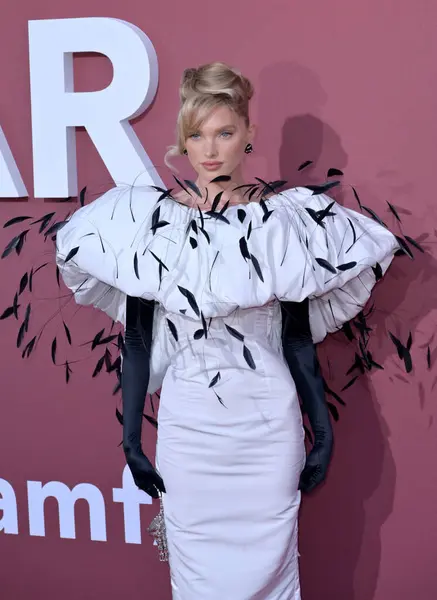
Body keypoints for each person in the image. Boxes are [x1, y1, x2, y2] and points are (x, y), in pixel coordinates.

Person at [53, 62, 399, 599]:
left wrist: (322, 431)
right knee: (198, 583)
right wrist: (130, 440)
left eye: (224, 132)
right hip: (190, 436)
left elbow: (296, 338)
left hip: (268, 432)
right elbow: (139, 338)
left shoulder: (283, 224)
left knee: (274, 576)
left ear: (248, 136)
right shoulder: (152, 224)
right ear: (182, 143)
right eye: (195, 135)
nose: (209, 150)